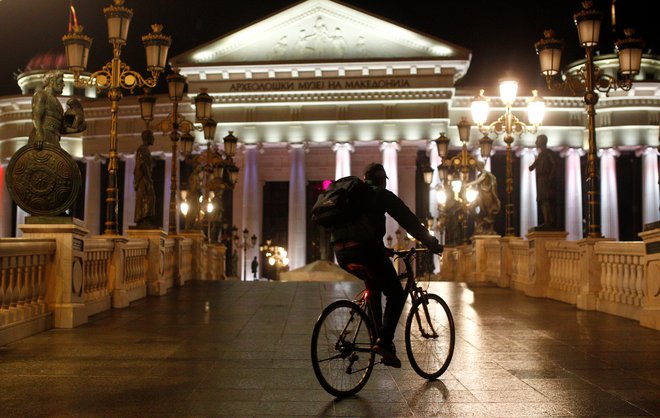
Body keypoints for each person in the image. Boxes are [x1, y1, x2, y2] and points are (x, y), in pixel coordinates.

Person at [332, 163, 443, 368]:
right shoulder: (381, 195)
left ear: (365, 179)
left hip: (341, 252)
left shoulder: (353, 197)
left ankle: (376, 338)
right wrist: (432, 243)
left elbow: (362, 228)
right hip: (365, 251)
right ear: (382, 180)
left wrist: (382, 249)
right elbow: (409, 221)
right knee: (396, 292)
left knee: (373, 286)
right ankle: (384, 341)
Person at [29, 70, 86, 149]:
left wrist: (78, 128)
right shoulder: (41, 95)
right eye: (61, 81)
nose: (63, 85)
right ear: (52, 81)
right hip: (43, 135)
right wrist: (39, 134)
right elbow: (36, 116)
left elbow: (61, 129)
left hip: (55, 138)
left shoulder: (58, 105)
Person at [529, 134, 559, 229]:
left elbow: (555, 165)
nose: (535, 142)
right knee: (542, 200)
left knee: (547, 200)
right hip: (541, 180)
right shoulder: (541, 155)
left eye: (537, 140)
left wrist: (550, 178)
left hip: (546, 179)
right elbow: (532, 167)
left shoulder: (548, 153)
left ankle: (550, 222)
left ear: (542, 141)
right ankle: (547, 221)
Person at [466, 161, 501, 235]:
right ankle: (480, 223)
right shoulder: (480, 174)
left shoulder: (484, 174)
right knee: (474, 208)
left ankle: (489, 229)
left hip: (486, 194)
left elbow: (478, 182)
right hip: (481, 195)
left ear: (480, 166)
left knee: (488, 212)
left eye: (477, 166)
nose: (476, 168)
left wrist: (467, 184)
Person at [134, 130, 156, 227]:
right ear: (148, 138)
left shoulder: (145, 149)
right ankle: (142, 219)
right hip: (143, 178)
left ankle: (145, 219)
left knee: (149, 198)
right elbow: (142, 164)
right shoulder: (142, 149)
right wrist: (147, 176)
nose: (154, 138)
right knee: (145, 198)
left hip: (146, 178)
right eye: (152, 136)